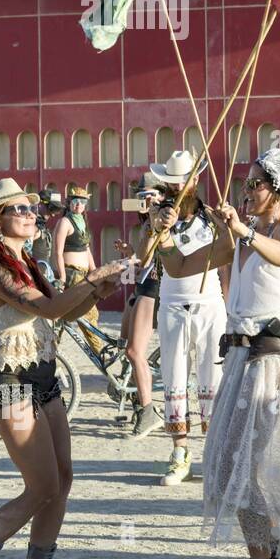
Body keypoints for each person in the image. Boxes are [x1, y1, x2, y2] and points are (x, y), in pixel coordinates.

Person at [0, 179, 123, 559]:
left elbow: (61, 313)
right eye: (20, 209)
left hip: (44, 378)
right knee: (42, 487)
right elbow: (47, 309)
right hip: (10, 383)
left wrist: (96, 294)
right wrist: (95, 279)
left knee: (62, 479)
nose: (32, 214)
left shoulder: (29, 265)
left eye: (31, 209)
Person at [156, 148, 280, 559]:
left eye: (254, 184)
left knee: (257, 467)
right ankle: (273, 556)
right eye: (245, 184)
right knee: (227, 465)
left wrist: (243, 231)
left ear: (278, 189)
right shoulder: (240, 235)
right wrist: (166, 234)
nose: (246, 191)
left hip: (271, 360)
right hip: (240, 359)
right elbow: (181, 266)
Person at [147, 151, 226, 486]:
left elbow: (229, 254)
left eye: (185, 179)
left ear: (195, 181)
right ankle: (180, 452)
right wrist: (155, 228)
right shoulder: (159, 215)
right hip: (173, 304)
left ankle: (216, 452)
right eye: (173, 180)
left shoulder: (211, 215)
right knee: (175, 377)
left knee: (213, 376)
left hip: (209, 304)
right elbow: (144, 256)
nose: (179, 185)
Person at [116, 177, 165, 438]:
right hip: (143, 285)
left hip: (155, 288)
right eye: (142, 197)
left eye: (151, 197)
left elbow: (150, 257)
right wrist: (129, 252)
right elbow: (143, 258)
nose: (145, 202)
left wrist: (153, 226)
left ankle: (148, 411)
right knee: (124, 345)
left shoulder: (161, 221)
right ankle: (136, 399)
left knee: (135, 351)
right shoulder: (148, 223)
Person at [50, 185, 106, 354]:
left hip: (84, 274)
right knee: (75, 315)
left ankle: (100, 354)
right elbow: (57, 251)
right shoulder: (64, 222)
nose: (79, 205)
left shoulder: (82, 222)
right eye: (75, 202)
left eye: (82, 202)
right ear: (69, 203)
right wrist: (62, 276)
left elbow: (86, 249)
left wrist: (95, 271)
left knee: (90, 316)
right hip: (71, 274)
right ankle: (51, 354)